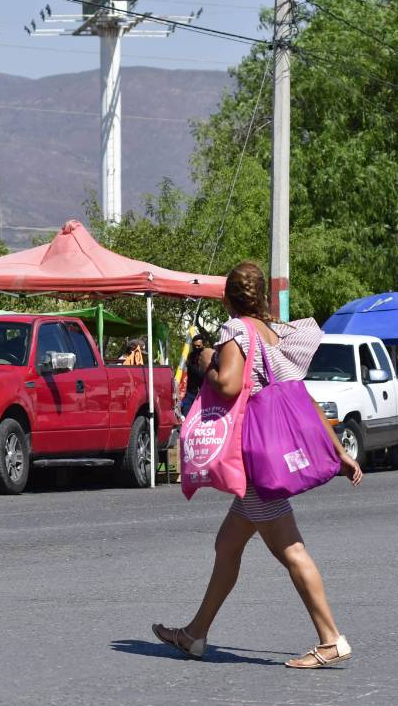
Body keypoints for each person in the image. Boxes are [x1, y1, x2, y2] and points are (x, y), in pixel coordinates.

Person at [152, 262, 363, 669]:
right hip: (263, 459)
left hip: (255, 461)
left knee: (292, 550)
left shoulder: (236, 332)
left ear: (228, 298)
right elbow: (301, 398)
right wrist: (338, 450)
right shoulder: (273, 334)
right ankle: (194, 634)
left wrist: (207, 360)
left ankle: (331, 638)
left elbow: (228, 383)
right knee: (227, 545)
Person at [178, 333, 209, 417]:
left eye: (199, 346)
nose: (196, 348)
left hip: (203, 393)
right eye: (194, 346)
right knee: (186, 415)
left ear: (203, 345)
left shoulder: (207, 356)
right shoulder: (191, 357)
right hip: (191, 392)